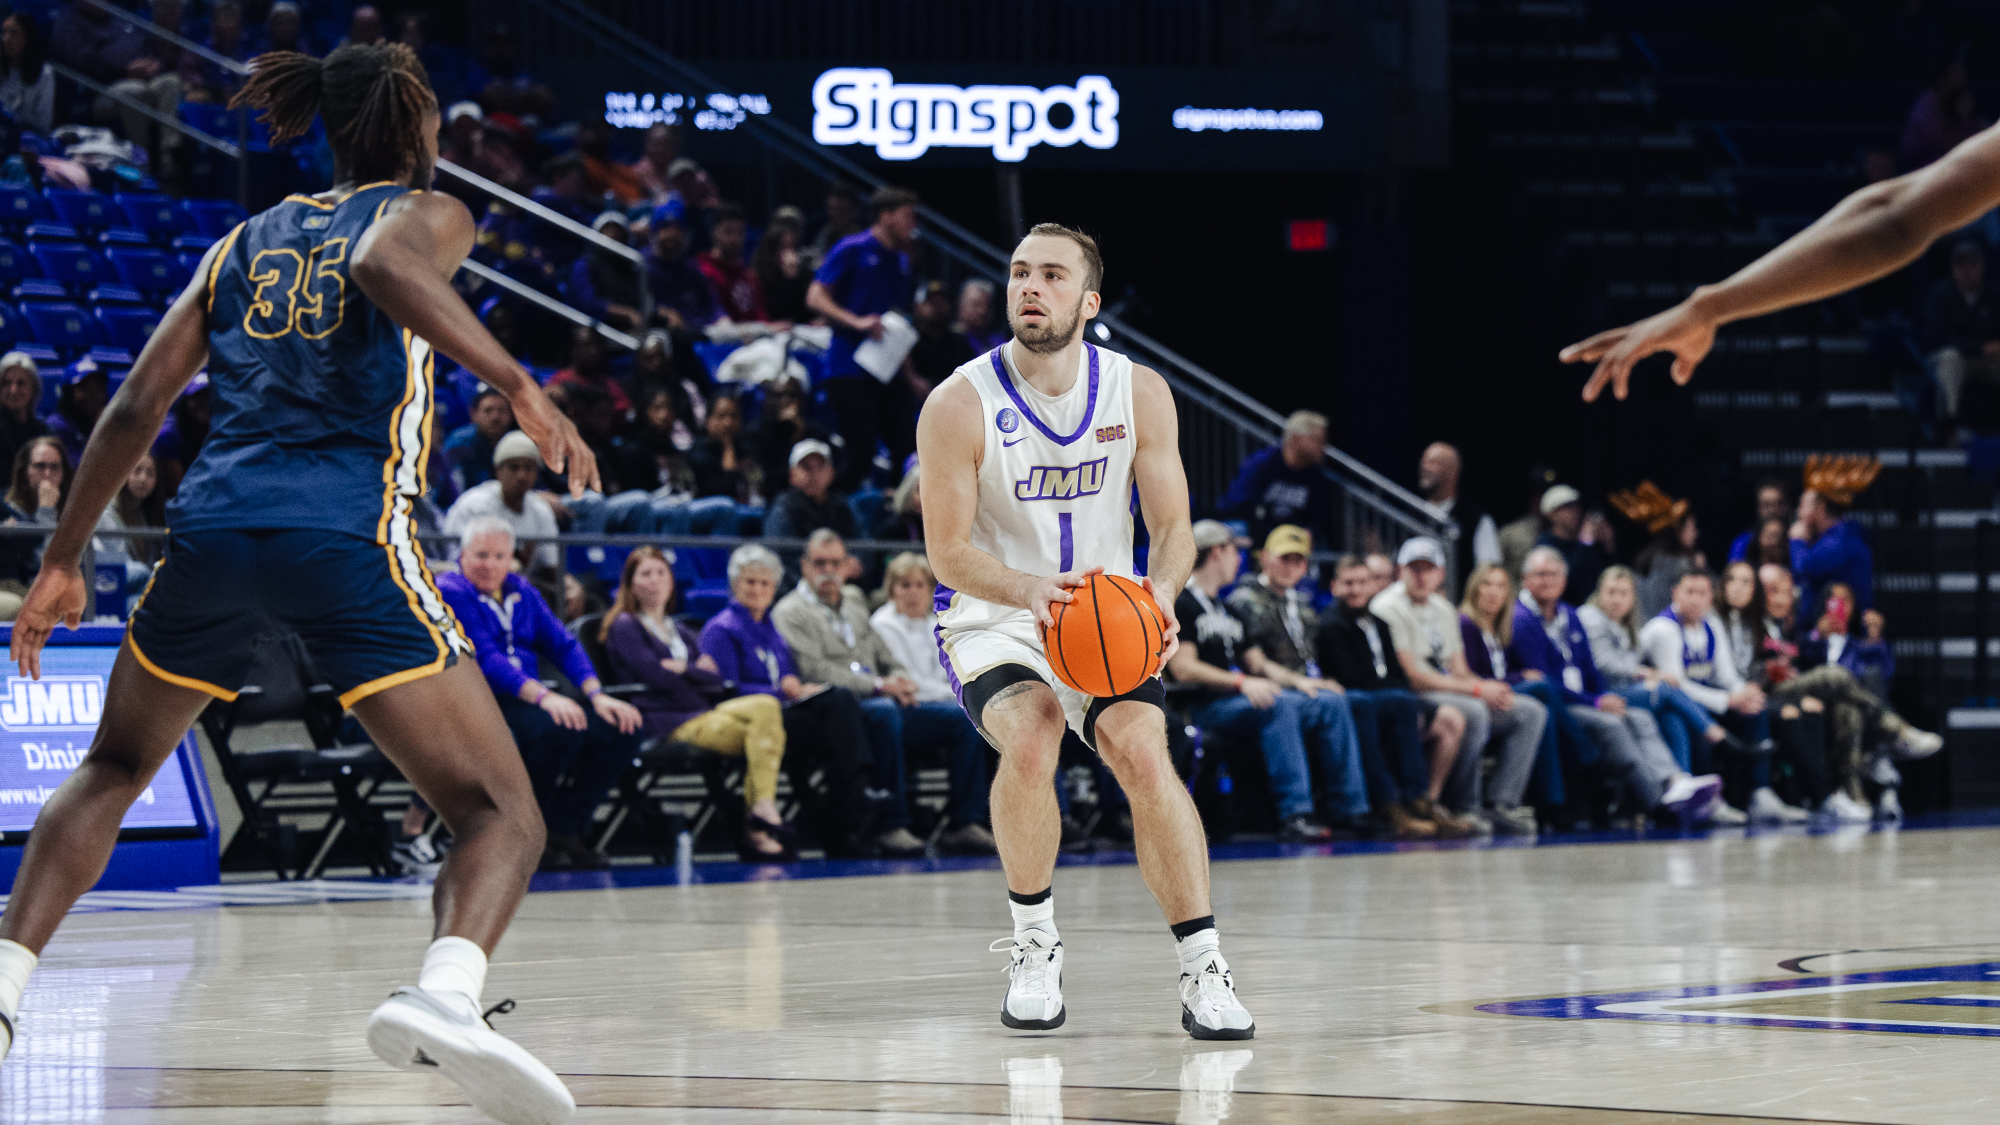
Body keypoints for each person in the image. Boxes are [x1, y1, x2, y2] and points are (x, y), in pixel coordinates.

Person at [0, 42, 595, 1119]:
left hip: (216, 530)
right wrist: (519, 382)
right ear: (417, 123)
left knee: (117, 764)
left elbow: (136, 406)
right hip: (343, 536)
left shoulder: (242, 240)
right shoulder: (426, 213)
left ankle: (2, 989)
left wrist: (60, 557)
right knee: (497, 808)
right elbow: (380, 270)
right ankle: (446, 997)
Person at [917, 223, 1254, 1039]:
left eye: (1053, 275)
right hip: (996, 612)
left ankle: (1203, 965)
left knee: (1143, 752)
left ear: (1088, 299)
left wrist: (1164, 593)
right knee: (1031, 735)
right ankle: (1035, 945)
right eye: (1020, 272)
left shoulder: (1139, 391)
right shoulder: (958, 402)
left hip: (1106, 614)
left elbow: (1175, 528)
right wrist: (1028, 588)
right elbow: (947, 552)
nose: (1031, 286)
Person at [439, 518, 643, 873]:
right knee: (559, 730)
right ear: (463, 555)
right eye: (480, 555)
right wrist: (544, 698)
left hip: (528, 700)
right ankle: (524, 831)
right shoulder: (450, 590)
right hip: (480, 702)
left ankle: (562, 828)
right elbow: (484, 657)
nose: (489, 564)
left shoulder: (522, 590)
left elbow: (563, 644)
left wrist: (597, 695)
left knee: (621, 728)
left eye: (498, 556)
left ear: (511, 559)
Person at [776, 531, 994, 855]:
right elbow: (814, 670)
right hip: (840, 711)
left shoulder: (852, 601)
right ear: (805, 567)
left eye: (836, 563)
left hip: (884, 699)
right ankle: (892, 824)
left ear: (848, 566)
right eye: (820, 563)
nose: (828, 570)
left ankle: (965, 822)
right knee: (884, 713)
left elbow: (885, 657)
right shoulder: (790, 611)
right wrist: (880, 686)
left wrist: (901, 680)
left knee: (963, 721)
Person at [598, 547, 793, 860]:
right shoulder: (625, 626)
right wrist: (696, 671)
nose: (655, 580)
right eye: (645, 573)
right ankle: (758, 825)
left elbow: (718, 681)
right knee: (764, 733)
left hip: (701, 713)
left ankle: (762, 808)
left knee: (766, 706)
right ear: (631, 583)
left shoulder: (680, 630)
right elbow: (656, 677)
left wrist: (684, 670)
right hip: (667, 721)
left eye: (661, 572)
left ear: (672, 581)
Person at [1168, 521, 1357, 843]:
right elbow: (1184, 668)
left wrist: (1303, 683)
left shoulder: (1228, 609)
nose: (1240, 560)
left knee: (1329, 703)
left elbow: (1260, 664)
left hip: (1239, 699)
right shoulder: (1182, 604)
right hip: (1205, 705)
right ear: (1217, 552)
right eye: (1235, 551)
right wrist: (1241, 683)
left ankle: (1350, 809)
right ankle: (1295, 813)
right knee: (1277, 705)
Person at [1511, 548, 1724, 823]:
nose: (1547, 580)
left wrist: (1600, 696)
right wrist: (1598, 702)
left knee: (1642, 717)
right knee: (1619, 721)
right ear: (1525, 579)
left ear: (1564, 581)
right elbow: (1544, 682)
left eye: (1554, 574)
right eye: (1540, 574)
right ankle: (1660, 805)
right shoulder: (1522, 619)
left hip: (1590, 697)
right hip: (1564, 705)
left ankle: (1676, 781)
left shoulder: (1568, 615)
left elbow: (1589, 669)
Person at [698, 543, 884, 856]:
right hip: (751, 718)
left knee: (843, 707)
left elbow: (787, 675)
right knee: (839, 715)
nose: (758, 589)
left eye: (765, 583)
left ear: (773, 588)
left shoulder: (770, 627)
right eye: (750, 582)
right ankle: (856, 796)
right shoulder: (721, 629)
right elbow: (724, 691)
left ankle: (852, 802)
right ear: (735, 585)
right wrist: (784, 692)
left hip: (782, 713)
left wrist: (793, 686)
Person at [1370, 536, 1545, 833]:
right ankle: (1465, 805)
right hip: (1417, 693)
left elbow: (1459, 668)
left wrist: (1490, 687)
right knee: (1474, 711)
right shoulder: (1387, 607)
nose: (1421, 576)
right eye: (1414, 568)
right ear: (1401, 571)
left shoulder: (1442, 608)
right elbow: (1413, 675)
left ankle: (1503, 802)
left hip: (1450, 689)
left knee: (1530, 711)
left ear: (1441, 573)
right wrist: (1478, 690)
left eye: (1429, 569)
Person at [1637, 571, 1823, 823]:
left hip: (1704, 701)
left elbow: (1726, 676)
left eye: (1702, 593)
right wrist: (1728, 701)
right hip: (1668, 704)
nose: (1695, 599)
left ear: (1711, 597)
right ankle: (1704, 801)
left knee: (1756, 710)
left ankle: (1761, 793)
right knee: (1692, 722)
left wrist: (1744, 694)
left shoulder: (1711, 624)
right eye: (1689, 592)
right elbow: (1677, 686)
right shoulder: (1663, 629)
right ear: (1675, 593)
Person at [1218, 524, 1369, 834]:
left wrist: (1318, 680)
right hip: (1266, 689)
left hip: (1302, 687)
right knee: (1300, 704)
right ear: (1264, 558)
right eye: (1284, 558)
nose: (1291, 567)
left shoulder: (1301, 603)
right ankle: (1297, 811)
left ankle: (1351, 809)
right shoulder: (1246, 600)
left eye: (1298, 561)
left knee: (1340, 701)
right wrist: (1300, 682)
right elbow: (1255, 662)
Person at [1582, 565, 1744, 813]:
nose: (1617, 600)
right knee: (1666, 689)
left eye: (1624, 593)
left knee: (1672, 716)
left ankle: (1682, 785)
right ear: (1599, 593)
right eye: (1611, 592)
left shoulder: (1627, 624)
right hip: (1600, 694)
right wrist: (1644, 672)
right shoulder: (1591, 617)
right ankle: (1711, 730)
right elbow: (1602, 662)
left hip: (1626, 692)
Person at [1316, 555, 1444, 839]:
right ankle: (1387, 803)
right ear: (1335, 586)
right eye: (1349, 583)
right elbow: (1348, 676)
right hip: (1352, 696)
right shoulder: (1331, 625)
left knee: (1404, 700)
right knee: (1371, 703)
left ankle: (1418, 797)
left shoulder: (1380, 623)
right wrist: (1390, 687)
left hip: (1383, 696)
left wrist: (1394, 688)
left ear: (1373, 586)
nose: (1356, 589)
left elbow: (1398, 673)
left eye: (1362, 583)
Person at [809, 185, 923, 492]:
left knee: (906, 450)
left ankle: (898, 519)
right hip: (848, 369)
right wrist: (856, 321)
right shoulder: (851, 248)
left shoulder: (901, 262)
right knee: (859, 457)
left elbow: (897, 323)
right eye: (907, 216)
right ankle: (832, 516)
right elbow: (815, 296)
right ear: (885, 216)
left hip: (886, 370)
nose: (913, 224)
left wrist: (910, 376)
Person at [443, 430, 561, 574]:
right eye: (514, 467)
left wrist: (567, 584)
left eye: (528, 468)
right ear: (498, 470)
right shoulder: (473, 506)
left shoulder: (541, 510)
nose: (521, 475)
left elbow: (550, 567)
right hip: (470, 586)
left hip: (523, 589)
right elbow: (457, 560)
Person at [1216, 410, 1336, 549]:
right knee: (1238, 529)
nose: (1324, 447)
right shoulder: (1262, 464)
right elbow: (1241, 505)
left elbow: (1316, 518)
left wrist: (1310, 532)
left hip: (1290, 538)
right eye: (1318, 440)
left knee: (1321, 545)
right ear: (1297, 439)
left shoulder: (1316, 475)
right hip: (1256, 530)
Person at [1791, 456, 1878, 622]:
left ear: (1820, 508)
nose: (1798, 513)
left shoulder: (1840, 540)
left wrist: (1797, 540)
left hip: (1847, 628)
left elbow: (1805, 567)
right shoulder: (1835, 537)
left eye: (1803, 505)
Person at [1611, 481, 1704, 621]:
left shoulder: (1643, 558)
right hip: (1670, 630)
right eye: (1692, 528)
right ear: (1678, 530)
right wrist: (1700, 569)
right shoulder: (1683, 564)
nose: (1696, 534)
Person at [1418, 442, 1498, 597]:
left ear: (1453, 471)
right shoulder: (1411, 511)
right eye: (1423, 462)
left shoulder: (1476, 518)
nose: (1424, 467)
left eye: (1433, 463)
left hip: (1462, 609)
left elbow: (1487, 570)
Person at [699, 202, 782, 328]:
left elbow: (761, 316)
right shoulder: (703, 271)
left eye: (740, 232)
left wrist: (772, 327)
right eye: (728, 232)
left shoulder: (748, 276)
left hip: (759, 337)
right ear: (713, 232)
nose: (735, 238)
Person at [763, 438, 858, 545]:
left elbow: (864, 547)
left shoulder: (844, 506)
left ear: (831, 473)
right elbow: (779, 554)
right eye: (806, 467)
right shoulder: (782, 508)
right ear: (791, 474)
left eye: (820, 467)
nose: (814, 474)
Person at [567, 213, 645, 332]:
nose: (612, 236)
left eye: (618, 232)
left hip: (630, 330)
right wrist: (627, 313)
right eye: (607, 230)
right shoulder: (584, 264)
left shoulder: (632, 266)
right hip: (594, 328)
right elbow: (588, 304)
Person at [1533, 484, 1607, 608]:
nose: (1575, 512)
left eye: (1576, 506)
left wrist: (1608, 545)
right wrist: (1585, 542)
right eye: (1567, 507)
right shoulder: (1545, 546)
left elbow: (1603, 576)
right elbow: (1566, 583)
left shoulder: (1584, 542)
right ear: (1551, 514)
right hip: (1563, 611)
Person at [444, 388, 513, 498]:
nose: (495, 417)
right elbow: (456, 488)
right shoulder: (460, 441)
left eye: (501, 410)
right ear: (473, 414)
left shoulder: (517, 442)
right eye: (488, 410)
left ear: (511, 415)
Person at [753, 206, 812, 324]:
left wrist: (794, 278)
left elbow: (806, 311)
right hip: (771, 328)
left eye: (793, 227)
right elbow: (774, 311)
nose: (788, 232)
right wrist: (788, 280)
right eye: (784, 225)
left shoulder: (804, 263)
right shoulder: (761, 265)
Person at [45, 364, 109, 466]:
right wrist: (101, 432)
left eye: (98, 388)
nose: (93, 395)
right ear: (68, 393)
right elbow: (77, 470)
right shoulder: (55, 425)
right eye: (85, 388)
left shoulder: (106, 423)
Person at [0, 13, 52, 134]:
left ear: (27, 37)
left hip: (27, 136)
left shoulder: (45, 73)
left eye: (14, 33)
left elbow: (44, 121)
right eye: (4, 32)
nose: (7, 39)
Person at [0, 353, 48, 478]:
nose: (13, 390)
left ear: (34, 388)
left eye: (21, 383)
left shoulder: (44, 430)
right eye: (6, 383)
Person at [1728, 479, 1793, 564]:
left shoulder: (1798, 538)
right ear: (1758, 508)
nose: (1772, 510)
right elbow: (1735, 571)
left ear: (1787, 506)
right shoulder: (1744, 541)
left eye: (1778, 503)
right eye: (1766, 504)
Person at [630, 122, 681, 205]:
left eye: (665, 145)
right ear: (648, 146)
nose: (660, 149)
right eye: (656, 145)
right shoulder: (636, 173)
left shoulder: (683, 171)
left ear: (673, 147)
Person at [956, 278, 1008, 354]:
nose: (983, 311)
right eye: (976, 305)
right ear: (961, 307)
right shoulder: (950, 339)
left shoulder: (999, 342)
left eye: (988, 305)